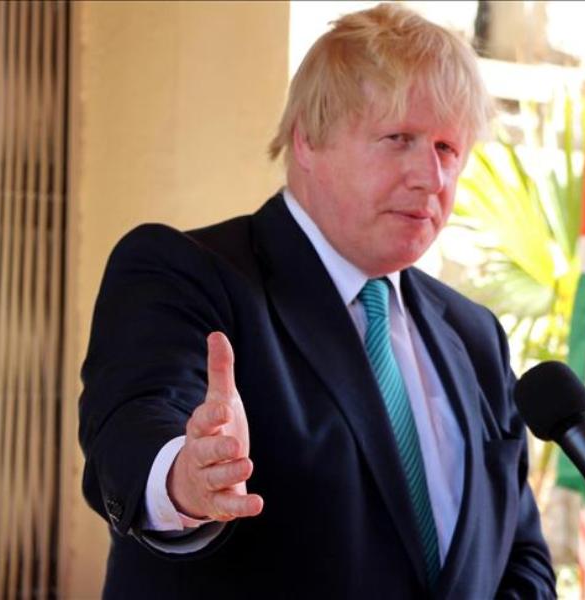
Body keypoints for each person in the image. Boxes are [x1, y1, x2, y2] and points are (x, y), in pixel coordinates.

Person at [78, 4, 556, 598]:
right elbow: (136, 423)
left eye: (446, 149)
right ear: (308, 139)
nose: (431, 178)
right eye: (398, 139)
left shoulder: (474, 335)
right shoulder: (185, 274)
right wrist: (183, 477)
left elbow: (520, 555)